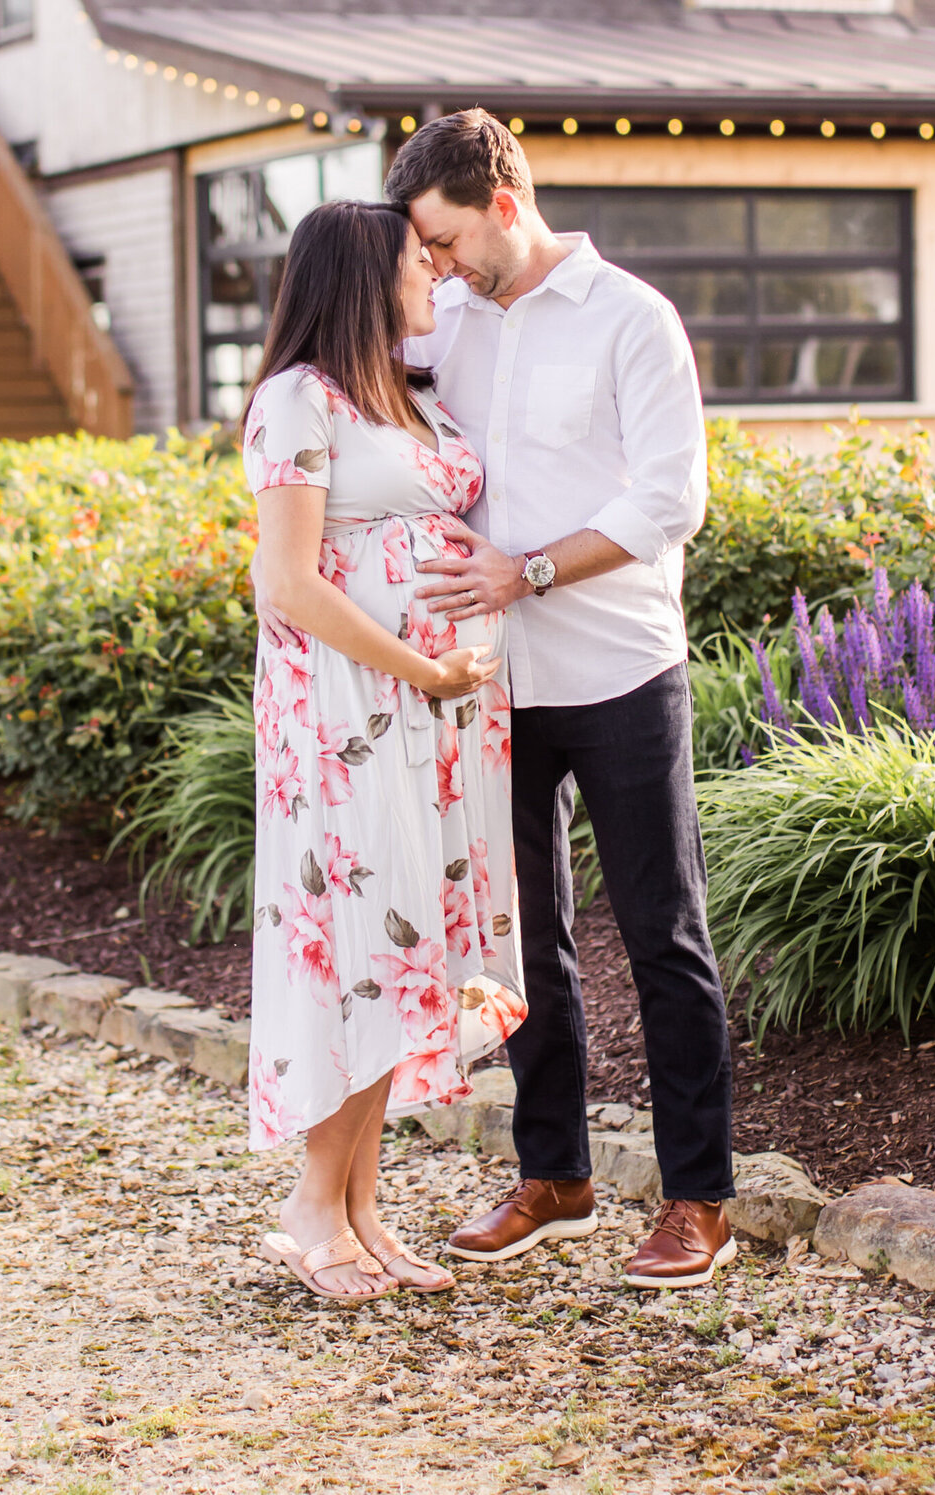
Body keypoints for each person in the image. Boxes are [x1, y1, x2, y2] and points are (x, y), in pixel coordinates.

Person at [382, 110, 735, 1290]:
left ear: (500, 198)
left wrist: (524, 568)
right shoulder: (450, 327)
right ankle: (556, 1174)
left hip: (620, 666)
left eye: (439, 238)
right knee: (517, 937)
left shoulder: (633, 318)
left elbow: (668, 500)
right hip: (492, 680)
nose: (432, 265)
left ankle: (697, 1198)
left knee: (660, 932)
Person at [244, 198, 526, 1305]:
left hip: (437, 723)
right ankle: (312, 1205)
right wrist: (422, 669)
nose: (435, 281)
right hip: (345, 717)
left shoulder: (409, 400)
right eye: (420, 263)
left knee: (410, 953)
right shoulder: (295, 400)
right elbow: (290, 581)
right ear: (366, 277)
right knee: (358, 948)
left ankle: (361, 1208)